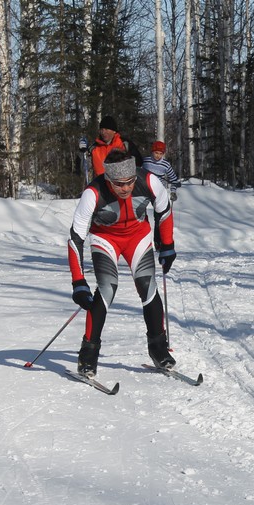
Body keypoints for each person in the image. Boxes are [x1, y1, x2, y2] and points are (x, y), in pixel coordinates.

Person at [67, 149, 177, 377]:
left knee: (147, 284)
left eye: (129, 182)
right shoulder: (93, 193)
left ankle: (158, 347)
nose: (125, 188)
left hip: (138, 236)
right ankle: (88, 353)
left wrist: (167, 245)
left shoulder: (148, 180)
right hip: (105, 238)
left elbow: (164, 210)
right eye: (119, 184)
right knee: (107, 287)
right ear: (108, 179)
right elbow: (75, 237)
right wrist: (78, 281)